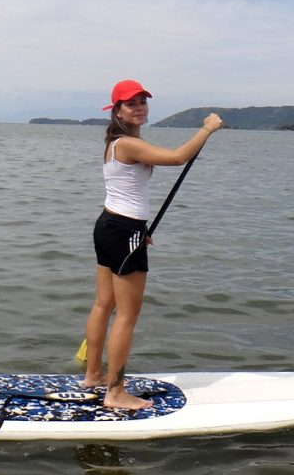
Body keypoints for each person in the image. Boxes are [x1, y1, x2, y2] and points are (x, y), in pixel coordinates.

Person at [83, 79, 223, 409]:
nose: (140, 106)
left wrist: (138, 230)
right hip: (122, 231)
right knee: (126, 317)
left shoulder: (119, 142)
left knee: (104, 305)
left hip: (110, 225)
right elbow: (177, 158)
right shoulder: (127, 144)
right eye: (132, 103)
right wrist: (207, 129)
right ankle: (115, 393)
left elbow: (126, 191)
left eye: (143, 101)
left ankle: (93, 375)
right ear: (117, 110)